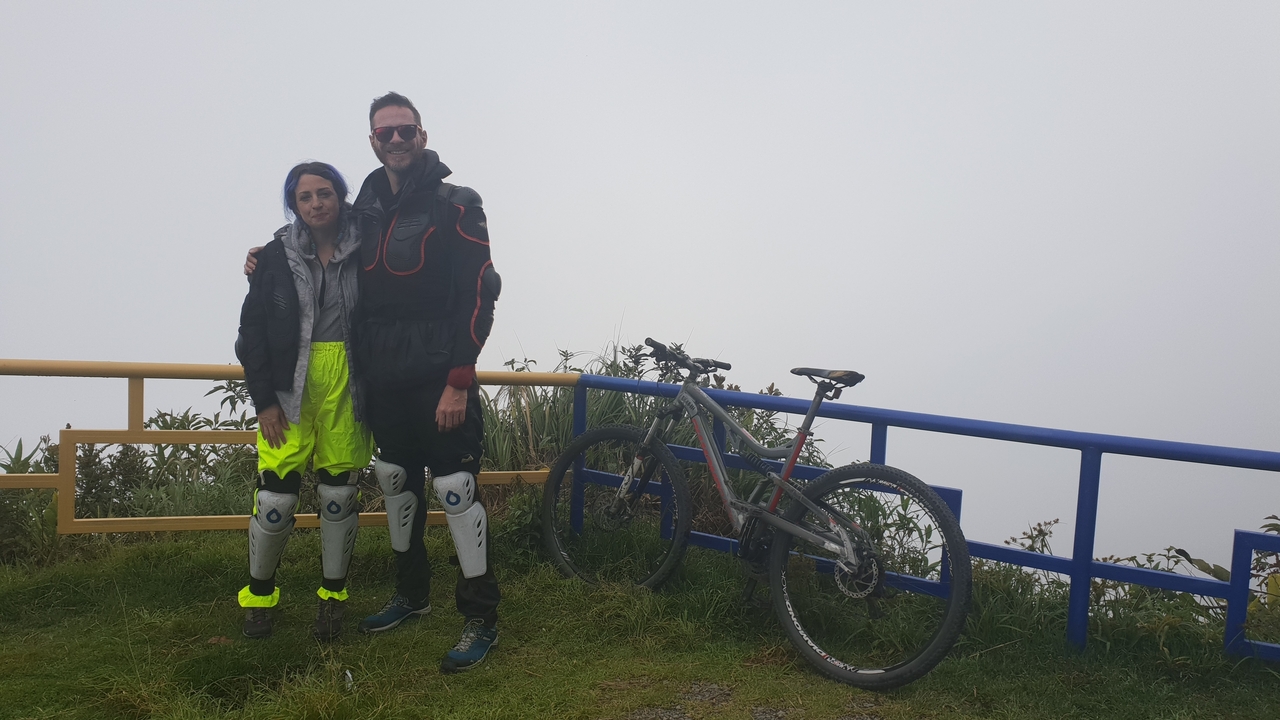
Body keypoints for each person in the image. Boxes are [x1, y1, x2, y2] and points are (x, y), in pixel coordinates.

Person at [244, 92, 502, 672]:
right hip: (379, 374)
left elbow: (479, 291)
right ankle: (411, 596)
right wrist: (266, 257)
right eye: (383, 133)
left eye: (404, 130)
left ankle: (480, 616)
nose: (394, 140)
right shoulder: (363, 208)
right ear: (371, 141)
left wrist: (460, 379)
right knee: (395, 482)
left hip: (440, 372)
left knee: (456, 489)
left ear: (422, 134)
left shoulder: (456, 203)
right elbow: (313, 239)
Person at [235, 161, 374, 642]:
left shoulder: (367, 246)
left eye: (325, 193)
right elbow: (250, 333)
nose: (316, 204)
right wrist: (264, 401)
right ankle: (259, 596)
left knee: (339, 497)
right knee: (275, 498)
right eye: (305, 197)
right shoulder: (273, 257)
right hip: (288, 385)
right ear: (293, 204)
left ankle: (332, 599)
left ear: (341, 196)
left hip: (348, 381)